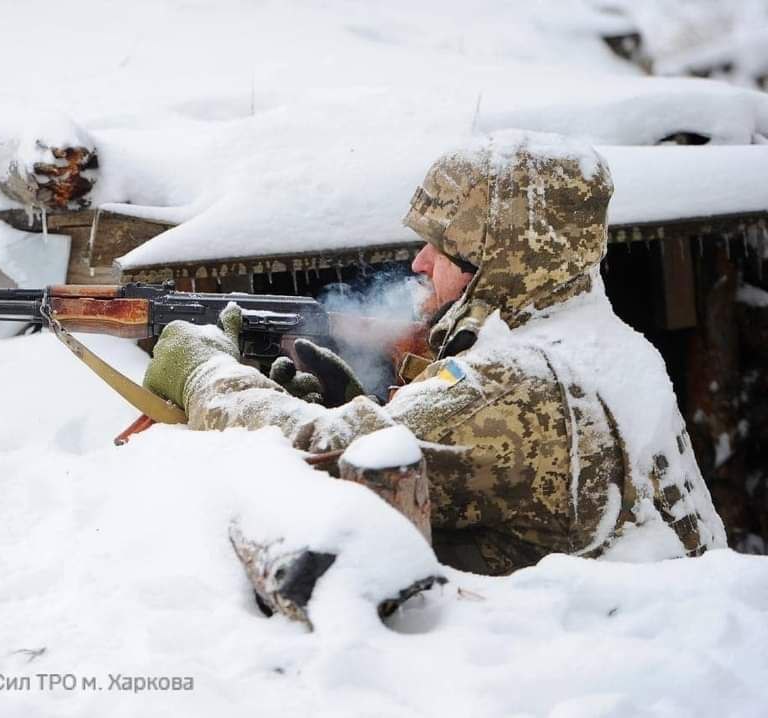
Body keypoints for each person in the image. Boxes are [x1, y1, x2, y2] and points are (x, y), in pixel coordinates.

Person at [143, 131, 726, 575]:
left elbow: (322, 463)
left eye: (442, 245)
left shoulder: (512, 379)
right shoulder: (613, 347)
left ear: (500, 259)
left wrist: (205, 374)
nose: (420, 262)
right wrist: (352, 402)